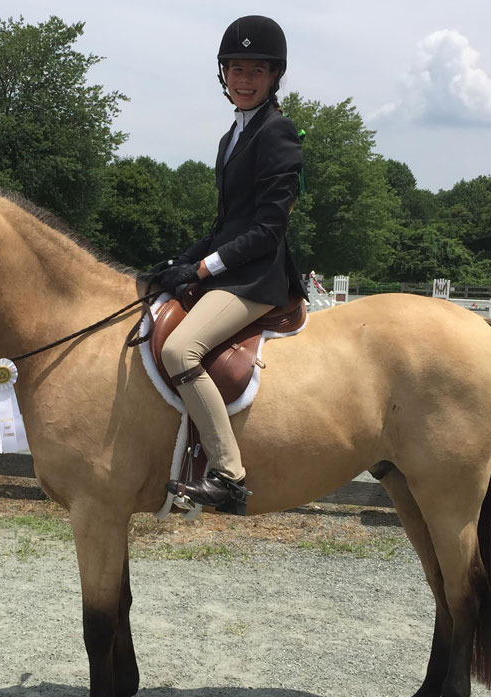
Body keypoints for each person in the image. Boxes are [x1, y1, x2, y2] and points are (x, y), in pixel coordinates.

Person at [146, 15, 305, 512]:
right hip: (234, 267)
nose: (244, 79)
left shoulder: (277, 133)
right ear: (223, 74)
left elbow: (265, 230)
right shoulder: (231, 137)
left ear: (274, 75)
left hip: (257, 278)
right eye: (235, 68)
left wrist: (200, 270)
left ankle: (229, 474)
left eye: (255, 70)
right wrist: (180, 262)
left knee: (179, 353)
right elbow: (225, 225)